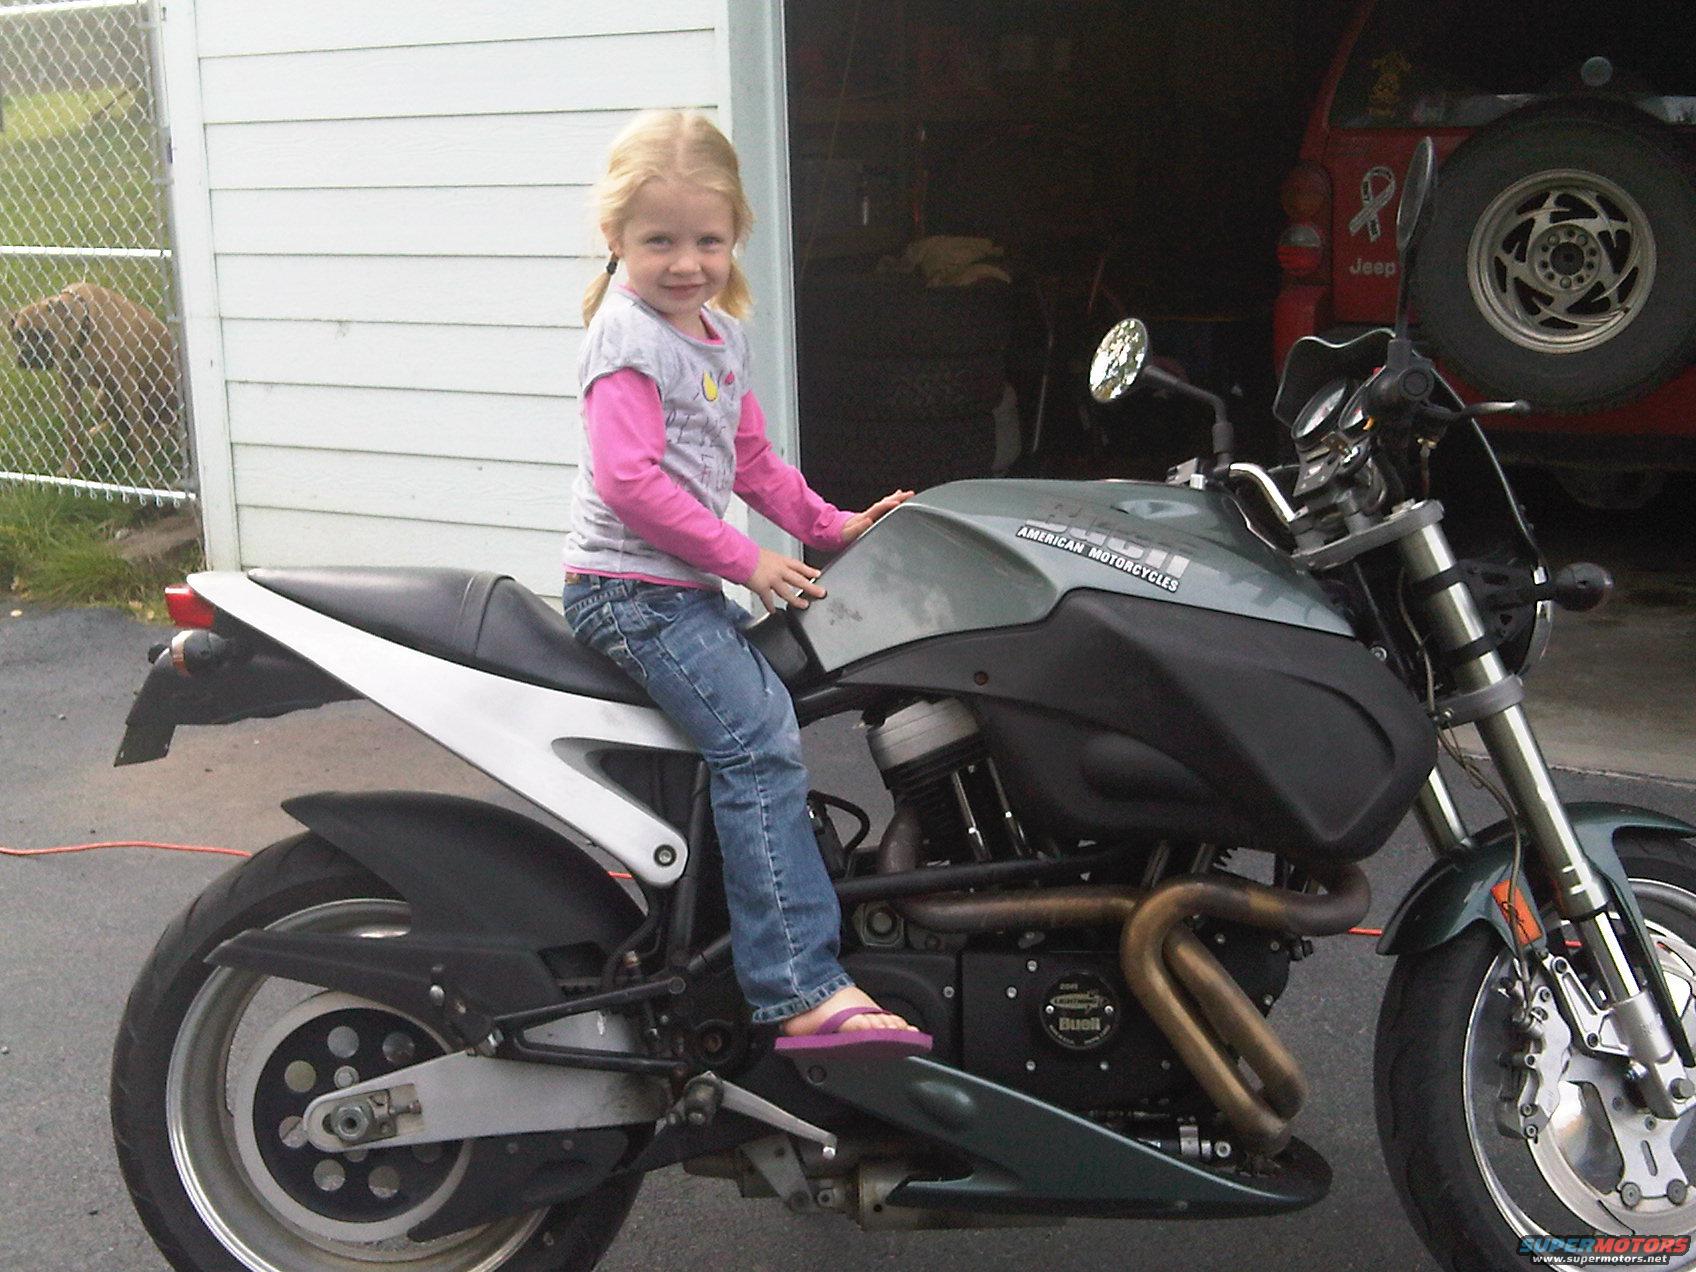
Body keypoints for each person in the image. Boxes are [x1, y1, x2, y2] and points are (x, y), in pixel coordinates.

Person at [561, 110, 929, 1057]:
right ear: (614, 236)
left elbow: (753, 459)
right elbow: (629, 483)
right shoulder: (627, 340)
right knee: (760, 745)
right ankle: (797, 985)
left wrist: (832, 527)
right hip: (628, 593)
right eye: (660, 241)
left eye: (708, 242)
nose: (687, 264)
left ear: (736, 237)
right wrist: (748, 559)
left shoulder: (719, 334)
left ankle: (742, 933)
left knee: (785, 705)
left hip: (677, 592)